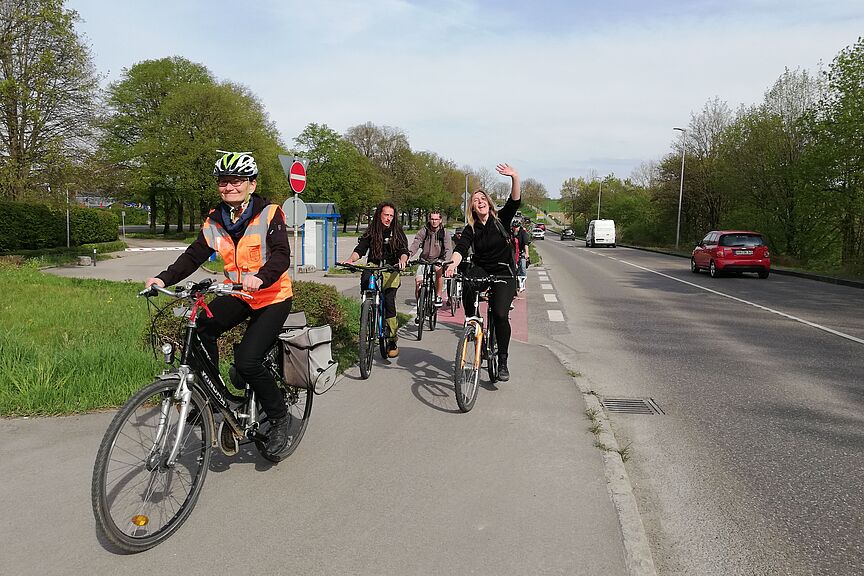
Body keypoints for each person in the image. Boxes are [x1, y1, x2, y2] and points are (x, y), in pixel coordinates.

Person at [144, 151, 294, 458]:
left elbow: (281, 254)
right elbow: (193, 255)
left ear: (251, 184)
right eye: (224, 182)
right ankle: (217, 398)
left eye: (236, 181)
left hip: (271, 297)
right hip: (238, 295)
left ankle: (279, 419)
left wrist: (262, 278)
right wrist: (162, 279)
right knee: (200, 330)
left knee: (248, 361)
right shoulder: (216, 220)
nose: (229, 187)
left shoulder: (269, 213)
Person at [445, 163, 520, 381]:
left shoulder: (500, 221)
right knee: (467, 280)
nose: (480, 202)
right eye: (475, 201)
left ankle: (503, 360)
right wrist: (453, 264)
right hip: (482, 269)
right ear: (472, 208)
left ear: (488, 203)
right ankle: (473, 320)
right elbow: (460, 248)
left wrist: (514, 176)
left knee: (499, 314)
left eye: (482, 199)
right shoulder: (471, 228)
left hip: (504, 273)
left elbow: (514, 201)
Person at [342, 202, 409, 358]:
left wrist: (403, 260)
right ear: (379, 214)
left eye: (391, 216)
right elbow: (361, 248)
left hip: (391, 266)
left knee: (390, 301)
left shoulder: (397, 231)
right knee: (366, 281)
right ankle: (368, 313)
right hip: (374, 264)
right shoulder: (372, 230)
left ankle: (392, 338)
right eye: (386, 215)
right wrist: (350, 260)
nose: (389, 218)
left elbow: (403, 250)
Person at [408, 210, 453, 317]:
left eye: (436, 219)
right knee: (418, 282)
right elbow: (416, 243)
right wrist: (408, 255)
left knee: (438, 270)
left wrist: (446, 262)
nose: (434, 221)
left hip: (438, 260)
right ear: (429, 219)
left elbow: (448, 249)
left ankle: (438, 296)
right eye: (432, 219)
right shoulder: (424, 231)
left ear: (440, 220)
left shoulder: (444, 232)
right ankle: (420, 304)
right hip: (424, 260)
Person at [512, 221, 530, 292]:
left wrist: (527, 253)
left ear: (519, 227)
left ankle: (522, 283)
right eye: (514, 227)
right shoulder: (511, 233)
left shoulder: (523, 233)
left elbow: (526, 244)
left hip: (521, 252)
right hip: (513, 252)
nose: (515, 229)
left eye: (516, 227)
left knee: (522, 267)